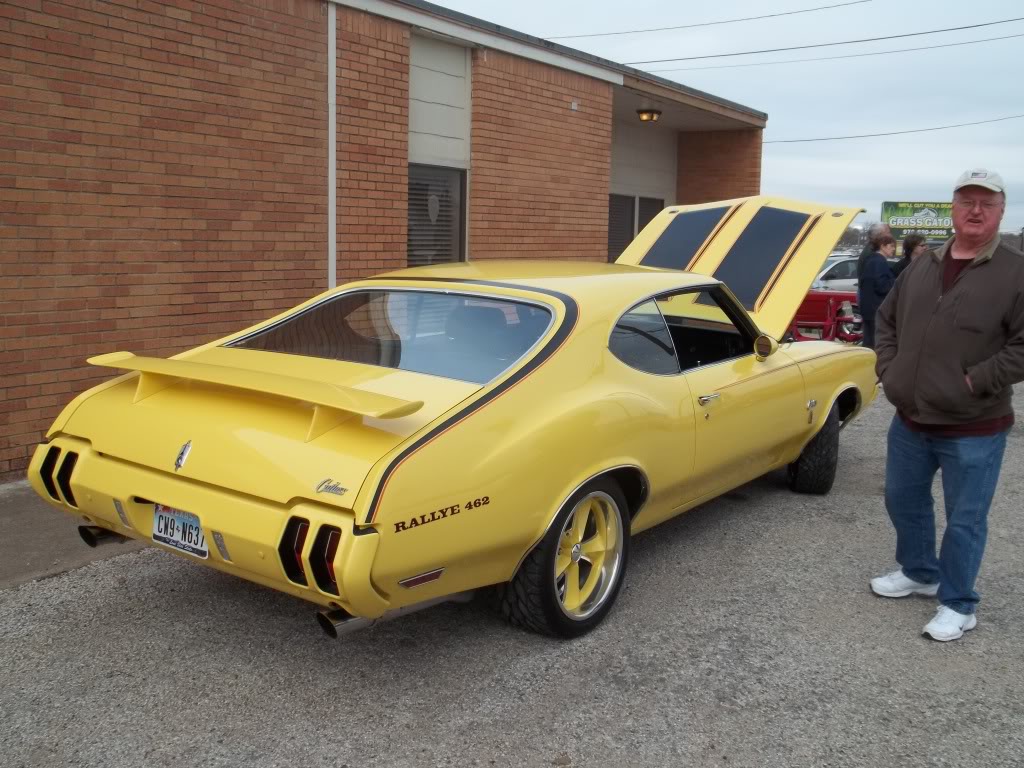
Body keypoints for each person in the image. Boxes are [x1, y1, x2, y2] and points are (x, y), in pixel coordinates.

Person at [870, 168, 1024, 642]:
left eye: (986, 203)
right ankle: (919, 571)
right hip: (911, 418)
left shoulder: (1015, 270)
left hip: (974, 424)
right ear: (953, 209)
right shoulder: (924, 264)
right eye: (966, 201)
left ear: (1000, 211)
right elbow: (886, 318)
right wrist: (890, 370)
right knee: (903, 498)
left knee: (965, 517)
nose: (975, 211)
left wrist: (974, 380)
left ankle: (959, 602)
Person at [857, 234, 896, 349]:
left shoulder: (871, 260)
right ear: (883, 246)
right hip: (876, 309)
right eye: (891, 246)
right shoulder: (879, 262)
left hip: (869, 309)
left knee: (869, 342)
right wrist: (896, 281)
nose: (894, 249)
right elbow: (882, 286)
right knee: (874, 344)